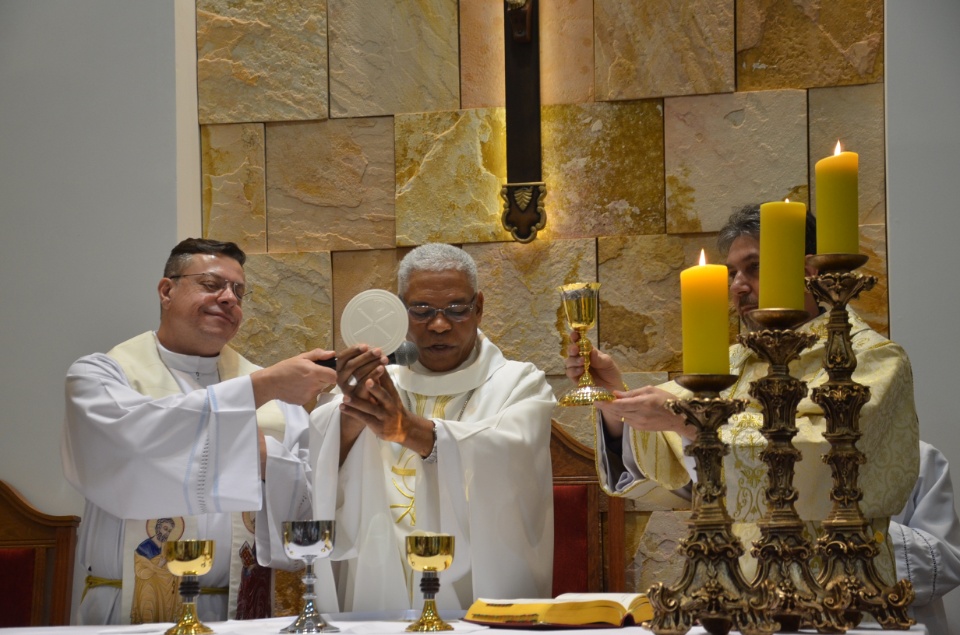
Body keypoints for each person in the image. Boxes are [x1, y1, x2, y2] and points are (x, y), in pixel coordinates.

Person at [565, 205, 920, 593]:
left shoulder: (872, 359)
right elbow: (674, 463)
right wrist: (612, 397)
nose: (737, 285)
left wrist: (689, 423)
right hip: (732, 589)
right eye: (733, 272)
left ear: (810, 271)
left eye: (754, 268)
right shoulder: (734, 362)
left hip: (832, 586)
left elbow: (823, 463)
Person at [62, 238, 340, 624]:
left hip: (243, 610)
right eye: (211, 284)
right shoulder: (101, 376)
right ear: (166, 290)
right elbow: (133, 449)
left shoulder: (278, 407)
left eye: (238, 292)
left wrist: (273, 460)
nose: (229, 298)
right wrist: (260, 392)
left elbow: (310, 503)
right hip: (131, 608)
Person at [309, 243, 556, 611]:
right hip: (380, 581)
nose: (439, 325)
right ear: (399, 311)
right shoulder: (378, 380)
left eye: (457, 310)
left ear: (480, 308)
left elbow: (512, 457)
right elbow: (321, 459)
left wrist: (410, 431)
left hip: (477, 595)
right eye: (422, 311)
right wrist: (351, 410)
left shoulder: (520, 384)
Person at [890, 440, 960, 633]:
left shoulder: (918, 456)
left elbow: (948, 560)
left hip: (901, 621)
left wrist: (870, 535)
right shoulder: (799, 459)